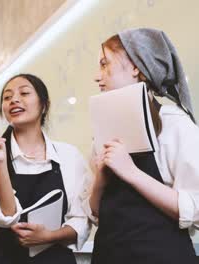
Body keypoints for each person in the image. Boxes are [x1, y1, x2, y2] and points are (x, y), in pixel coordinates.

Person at [84, 28, 199, 264]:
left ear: (136, 67)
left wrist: (131, 172)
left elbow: (195, 209)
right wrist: (101, 180)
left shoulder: (174, 124)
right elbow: (95, 213)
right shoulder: (103, 132)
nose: (98, 76)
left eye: (105, 64)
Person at [0, 74, 91, 263]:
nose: (14, 100)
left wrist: (50, 236)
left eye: (24, 93)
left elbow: (81, 219)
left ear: (44, 105)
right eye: (7, 97)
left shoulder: (69, 155)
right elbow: (5, 218)